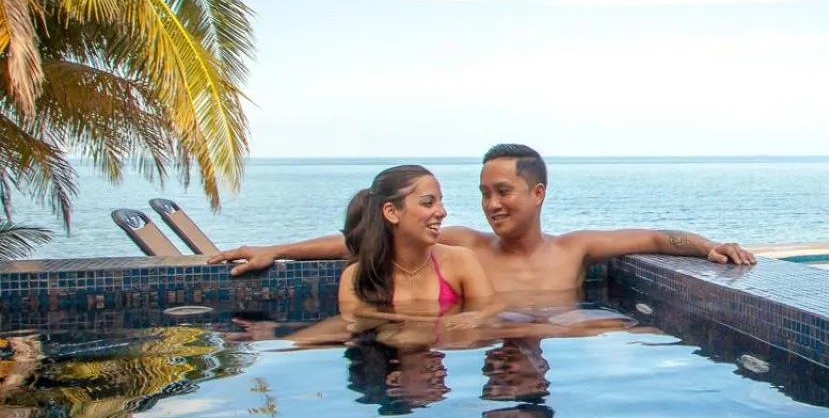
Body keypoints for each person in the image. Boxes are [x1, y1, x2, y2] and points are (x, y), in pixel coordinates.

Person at [211, 144, 757, 300]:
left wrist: (711, 246)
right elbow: (362, 242)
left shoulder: (574, 250)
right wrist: (274, 249)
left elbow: (659, 237)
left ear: (537, 193)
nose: (492, 205)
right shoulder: (467, 247)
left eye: (503, 192)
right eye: (484, 194)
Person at [337, 165, 495, 317]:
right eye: (428, 203)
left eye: (441, 202)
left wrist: (476, 318)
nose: (442, 212)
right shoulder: (356, 276)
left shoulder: (461, 261)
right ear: (391, 212)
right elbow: (357, 329)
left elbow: (491, 313)